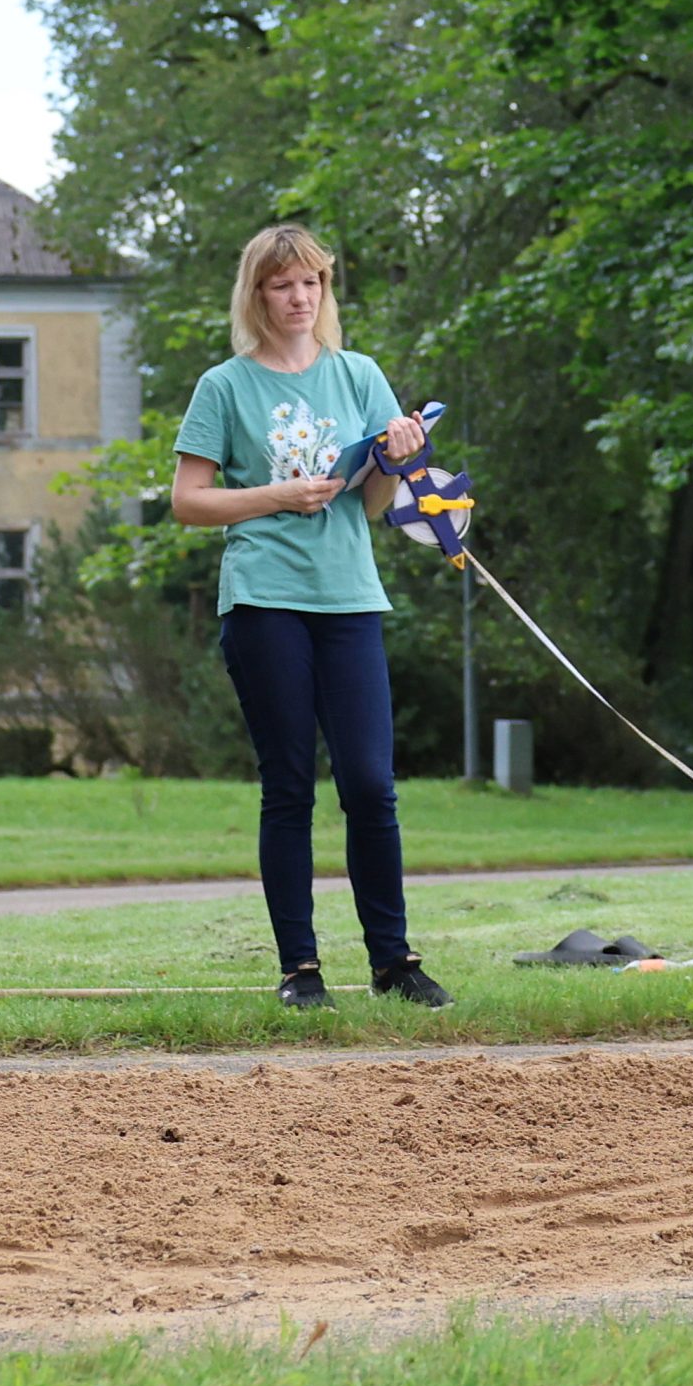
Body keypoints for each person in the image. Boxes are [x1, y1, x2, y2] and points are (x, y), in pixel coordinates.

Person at [171, 224, 458, 1007]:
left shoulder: (358, 374)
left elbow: (373, 504)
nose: (299, 298)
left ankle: (394, 963)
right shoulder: (224, 387)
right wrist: (277, 496)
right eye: (282, 285)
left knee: (370, 784)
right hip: (264, 600)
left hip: (349, 599)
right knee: (290, 785)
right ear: (257, 294)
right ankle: (300, 971)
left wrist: (397, 458)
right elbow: (188, 502)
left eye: (311, 283)